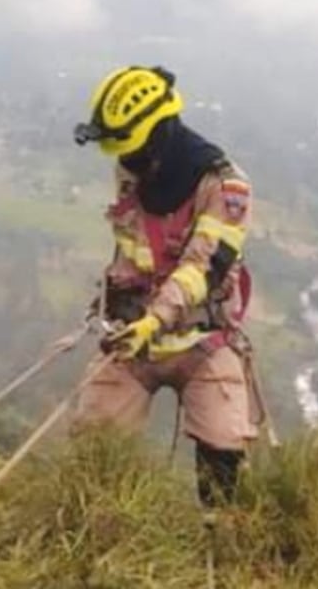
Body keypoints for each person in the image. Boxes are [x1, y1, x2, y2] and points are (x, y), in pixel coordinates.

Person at [71, 65, 260, 508]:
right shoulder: (132, 172)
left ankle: (221, 529)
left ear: (157, 136)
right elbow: (132, 248)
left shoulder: (226, 187)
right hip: (133, 331)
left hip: (202, 337)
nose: (126, 160)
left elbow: (204, 267)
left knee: (224, 439)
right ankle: (98, 523)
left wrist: (156, 319)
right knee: (95, 437)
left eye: (132, 149)